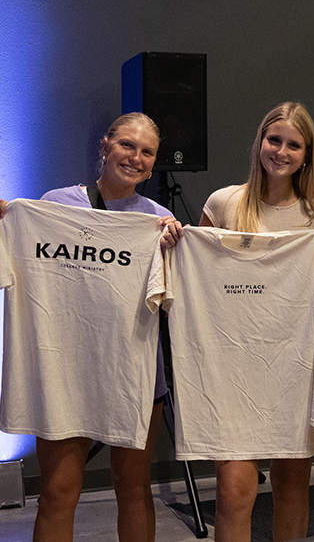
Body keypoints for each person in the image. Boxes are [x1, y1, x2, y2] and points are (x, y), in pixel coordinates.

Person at [0, 112, 183, 542]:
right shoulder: (54, 205)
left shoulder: (156, 220)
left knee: (133, 488)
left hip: (133, 374)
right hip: (66, 372)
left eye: (146, 152)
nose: (134, 157)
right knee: (58, 492)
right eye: (126, 145)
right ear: (105, 147)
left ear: (154, 163)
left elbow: (175, 302)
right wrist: (9, 222)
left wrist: (174, 249)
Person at [197, 102, 314, 542]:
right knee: (234, 491)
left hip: (295, 364)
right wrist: (172, 240)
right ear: (259, 142)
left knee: (293, 487)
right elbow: (199, 276)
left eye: (294, 144)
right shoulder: (224, 203)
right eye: (275, 140)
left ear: (306, 154)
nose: (282, 151)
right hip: (232, 366)